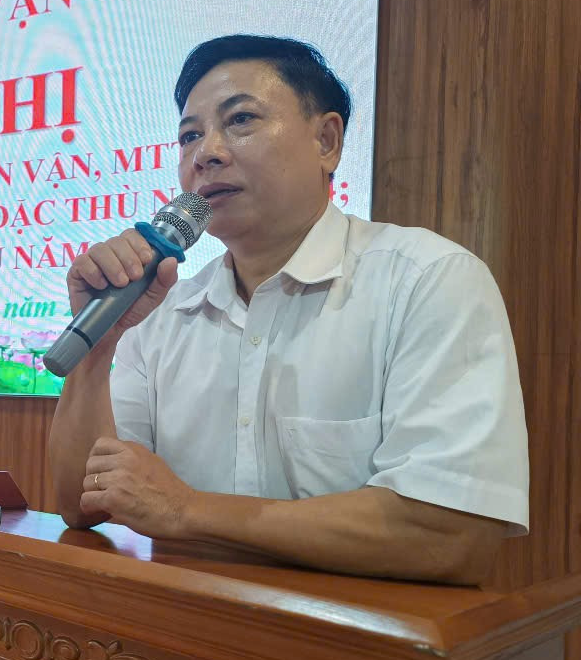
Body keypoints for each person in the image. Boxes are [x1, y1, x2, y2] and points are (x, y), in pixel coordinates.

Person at [47, 35, 528, 586]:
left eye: (241, 120)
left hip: (355, 633)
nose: (206, 153)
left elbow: (452, 537)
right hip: (179, 629)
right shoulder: (159, 312)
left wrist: (188, 510)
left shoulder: (426, 279)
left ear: (327, 141)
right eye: (189, 135)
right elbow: (82, 502)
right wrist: (98, 346)